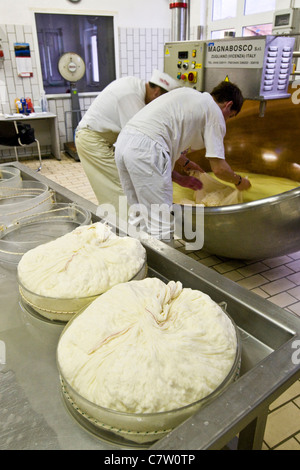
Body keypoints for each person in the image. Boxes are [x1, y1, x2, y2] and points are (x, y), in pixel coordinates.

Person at [114, 80, 251, 240]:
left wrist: (181, 172)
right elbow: (219, 169)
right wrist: (239, 182)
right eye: (230, 116)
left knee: (138, 214)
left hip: (124, 143)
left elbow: (159, 137)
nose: (226, 120)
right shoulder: (214, 112)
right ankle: (162, 264)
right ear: (228, 105)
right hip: (146, 150)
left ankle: (139, 259)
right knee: (161, 222)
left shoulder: (187, 94)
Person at [74, 70, 179, 213]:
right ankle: (127, 231)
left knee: (123, 187)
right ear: (157, 93)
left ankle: (127, 226)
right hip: (92, 140)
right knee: (120, 189)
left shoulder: (135, 86)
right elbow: (142, 142)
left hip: (99, 140)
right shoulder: (131, 97)